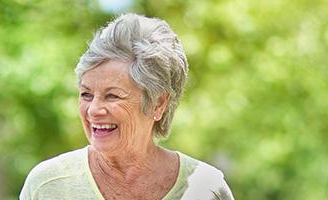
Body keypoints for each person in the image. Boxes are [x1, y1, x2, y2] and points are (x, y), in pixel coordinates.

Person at [19, 14, 234, 200]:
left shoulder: (206, 188)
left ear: (158, 103)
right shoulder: (47, 186)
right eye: (86, 94)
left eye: (112, 96)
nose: (93, 110)